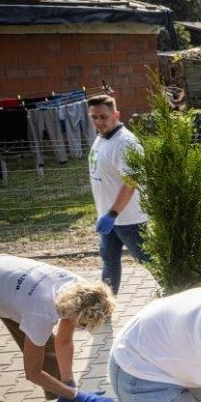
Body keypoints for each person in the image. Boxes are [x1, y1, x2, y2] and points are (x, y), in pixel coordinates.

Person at [0, 255, 115, 402]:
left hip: (1, 286)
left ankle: (63, 393)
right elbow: (32, 373)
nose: (83, 328)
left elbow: (64, 341)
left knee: (47, 351)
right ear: (73, 313)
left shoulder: (79, 289)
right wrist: (77, 395)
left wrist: (68, 383)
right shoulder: (40, 313)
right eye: (82, 324)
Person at [87, 95, 151, 295]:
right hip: (109, 218)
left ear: (116, 115)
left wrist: (112, 214)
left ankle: (177, 292)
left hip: (128, 218)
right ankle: (104, 308)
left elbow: (131, 181)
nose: (99, 122)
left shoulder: (125, 143)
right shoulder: (101, 138)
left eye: (103, 117)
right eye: (94, 117)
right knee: (109, 260)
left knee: (148, 259)